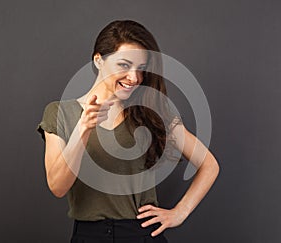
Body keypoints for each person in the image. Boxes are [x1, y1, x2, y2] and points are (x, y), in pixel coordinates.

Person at [37, 20, 219, 243]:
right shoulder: (59, 113)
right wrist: (83, 128)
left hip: (141, 235)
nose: (134, 78)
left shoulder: (151, 114)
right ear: (99, 60)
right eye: (124, 65)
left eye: (140, 69)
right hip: (89, 236)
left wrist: (180, 212)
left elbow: (209, 165)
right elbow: (57, 187)